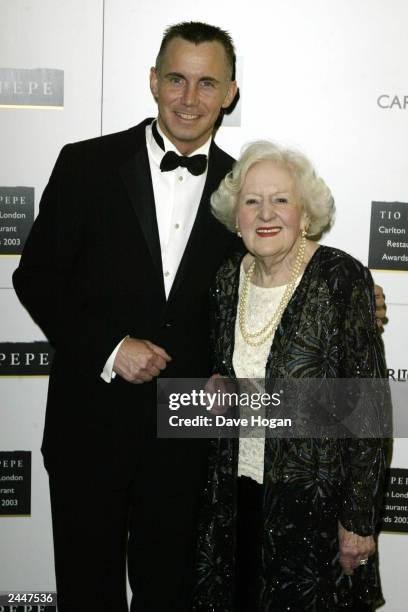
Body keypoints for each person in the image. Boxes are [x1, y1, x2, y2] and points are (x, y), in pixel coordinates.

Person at [12, 21, 238, 612]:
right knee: (88, 594)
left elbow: (277, 282)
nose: (190, 99)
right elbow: (34, 277)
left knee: (170, 595)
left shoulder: (248, 190)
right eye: (177, 80)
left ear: (230, 93)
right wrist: (112, 346)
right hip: (89, 425)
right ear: (153, 82)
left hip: (187, 437)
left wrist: (350, 294)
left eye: (207, 83)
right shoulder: (86, 164)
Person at [192, 141, 390, 612]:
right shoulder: (225, 279)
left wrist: (358, 520)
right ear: (235, 216)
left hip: (314, 509)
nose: (266, 212)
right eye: (252, 201)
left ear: (304, 215)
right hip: (236, 499)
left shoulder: (340, 278)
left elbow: (371, 409)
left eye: (281, 200)